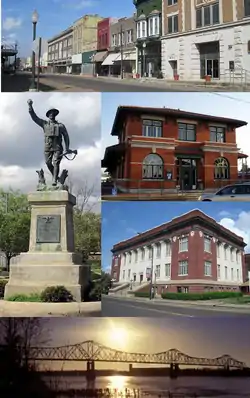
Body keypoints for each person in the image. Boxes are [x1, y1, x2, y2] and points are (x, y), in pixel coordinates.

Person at [27, 99, 72, 186]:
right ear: (48, 115)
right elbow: (34, 117)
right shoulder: (44, 124)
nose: (51, 114)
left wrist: (67, 148)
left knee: (56, 163)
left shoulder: (60, 126)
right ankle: (57, 177)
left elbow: (66, 136)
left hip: (58, 147)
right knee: (48, 163)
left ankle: (54, 180)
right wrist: (30, 106)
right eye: (50, 113)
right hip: (48, 146)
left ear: (55, 114)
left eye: (53, 113)